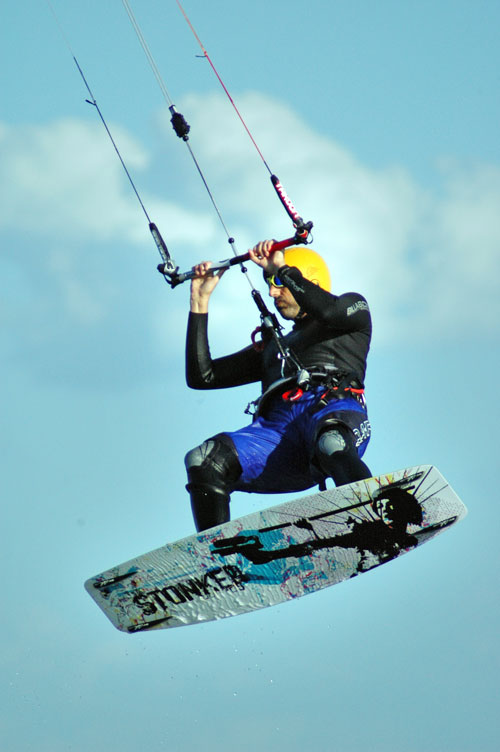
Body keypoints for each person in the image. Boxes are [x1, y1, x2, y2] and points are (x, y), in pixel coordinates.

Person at [184, 239, 372, 532]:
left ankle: (372, 515)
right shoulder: (276, 347)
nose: (272, 293)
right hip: (277, 439)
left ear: (308, 280)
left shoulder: (351, 312)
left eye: (278, 284)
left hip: (331, 413)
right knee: (203, 460)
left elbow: (328, 312)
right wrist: (199, 301)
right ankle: (216, 551)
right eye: (270, 285)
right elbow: (202, 377)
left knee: (331, 442)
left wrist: (283, 269)